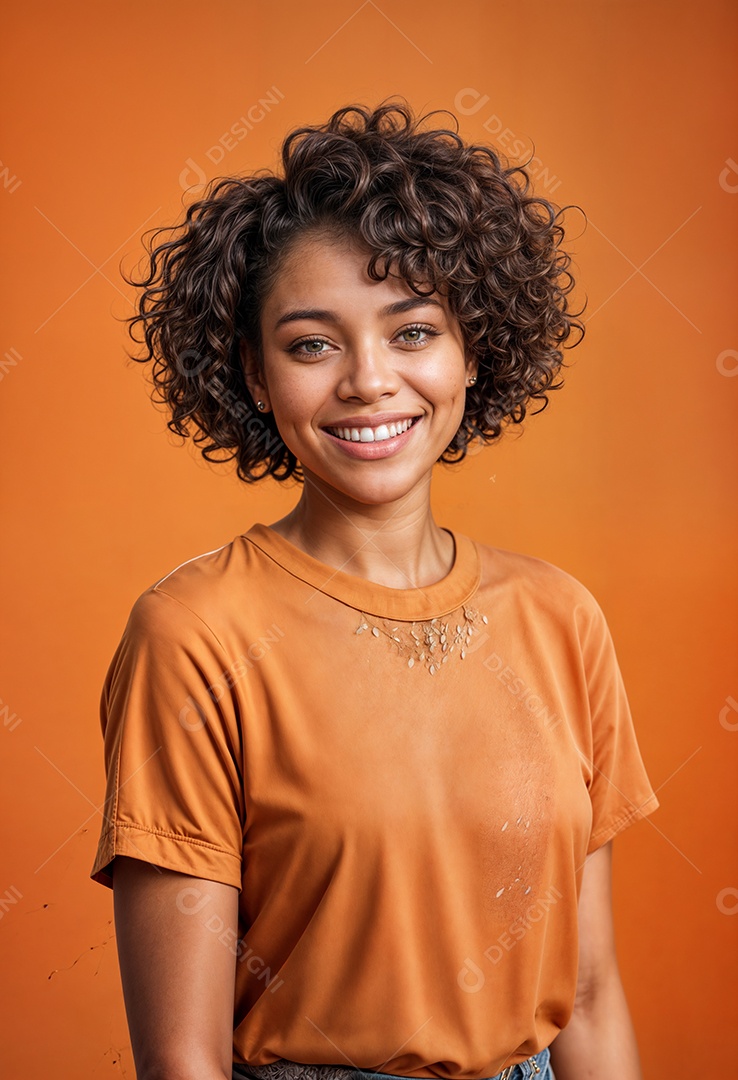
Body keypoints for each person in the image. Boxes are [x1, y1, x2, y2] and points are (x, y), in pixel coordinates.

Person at [89, 100, 660, 1080]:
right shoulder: (195, 634)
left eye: (413, 332)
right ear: (256, 376)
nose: (368, 381)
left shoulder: (560, 617)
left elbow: (594, 998)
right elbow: (183, 1059)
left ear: (471, 353)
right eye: (313, 343)